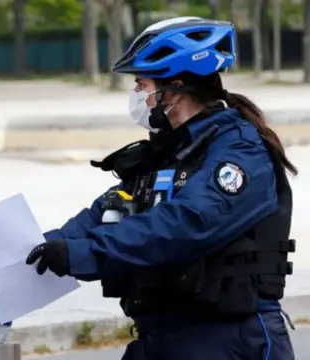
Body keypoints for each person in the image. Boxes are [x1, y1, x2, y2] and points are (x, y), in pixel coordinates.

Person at [26, 17, 297, 359]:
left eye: (141, 84)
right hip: (161, 338)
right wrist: (22, 251)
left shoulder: (239, 152)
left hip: (227, 339)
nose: (137, 95)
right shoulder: (164, 153)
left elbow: (186, 224)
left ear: (174, 88)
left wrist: (82, 254)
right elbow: (102, 215)